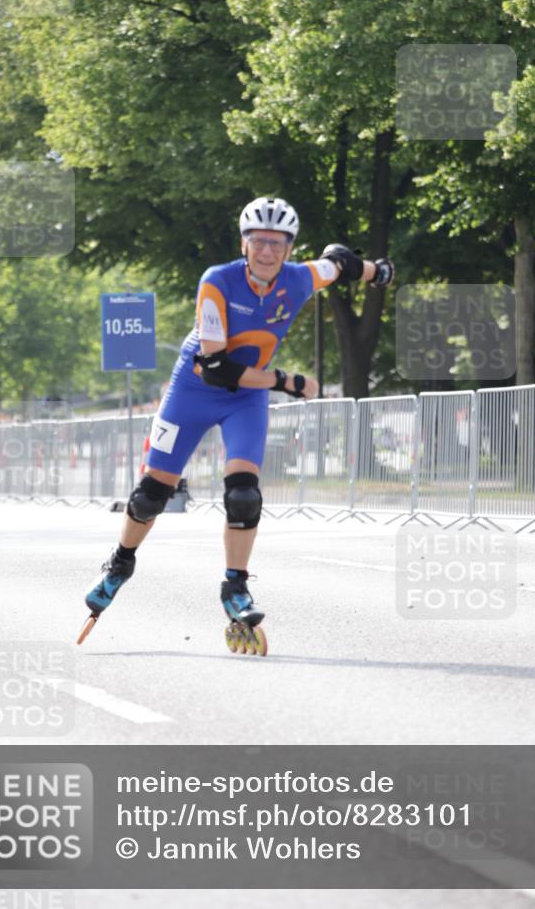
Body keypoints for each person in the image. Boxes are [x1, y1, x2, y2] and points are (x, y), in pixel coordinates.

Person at [79, 197, 394, 649]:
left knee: (244, 496)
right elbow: (216, 367)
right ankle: (120, 564)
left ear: (289, 248)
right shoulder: (217, 282)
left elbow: (339, 263)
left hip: (245, 399)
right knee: (151, 496)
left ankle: (235, 586)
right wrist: (288, 380)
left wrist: (376, 272)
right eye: (258, 242)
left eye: (278, 243)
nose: (267, 252)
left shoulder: (299, 279)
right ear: (244, 244)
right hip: (194, 390)